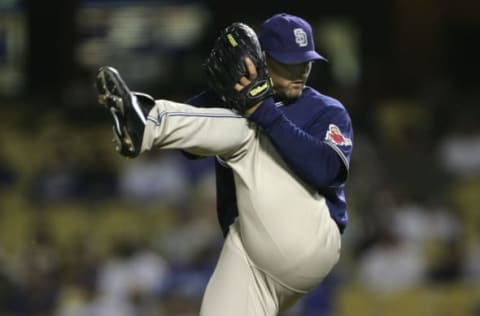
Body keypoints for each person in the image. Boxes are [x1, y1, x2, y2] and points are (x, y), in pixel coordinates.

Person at [95, 13, 353, 316]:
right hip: (249, 251)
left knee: (250, 131)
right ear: (260, 61)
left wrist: (263, 110)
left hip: (309, 235)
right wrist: (221, 91)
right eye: (288, 63)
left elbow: (326, 171)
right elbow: (191, 149)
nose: (300, 72)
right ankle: (147, 119)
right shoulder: (235, 102)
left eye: (305, 63)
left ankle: (150, 121)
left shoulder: (327, 110)